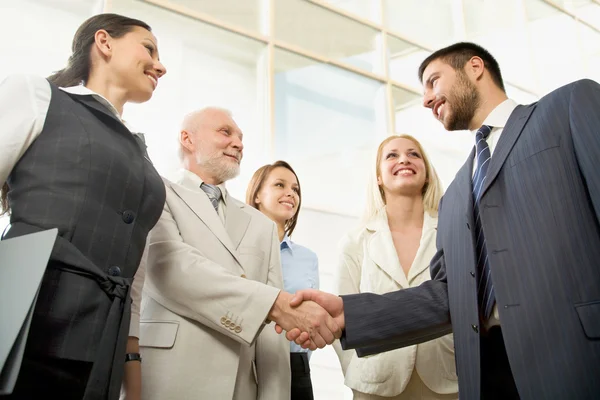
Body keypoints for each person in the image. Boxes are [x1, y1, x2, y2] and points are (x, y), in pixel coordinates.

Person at [284, 42, 600, 400]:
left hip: (576, 358)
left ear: (475, 67)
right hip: (486, 376)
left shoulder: (567, 108)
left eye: (434, 81)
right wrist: (350, 316)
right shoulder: (455, 198)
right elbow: (450, 297)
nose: (426, 100)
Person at [0, 13, 167, 400]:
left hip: (103, 345)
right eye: (149, 48)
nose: (160, 64)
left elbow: (135, 270)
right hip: (28, 318)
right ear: (104, 42)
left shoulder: (142, 155)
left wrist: (132, 367)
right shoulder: (38, 96)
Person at [130, 108, 340, 400]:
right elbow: (171, 268)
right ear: (188, 139)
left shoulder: (260, 225)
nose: (239, 143)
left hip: (240, 386)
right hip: (167, 378)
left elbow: (272, 334)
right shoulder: (156, 191)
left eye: (241, 138)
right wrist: (274, 304)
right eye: (225, 132)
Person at [332, 135, 457, 400]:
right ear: (378, 177)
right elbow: (340, 317)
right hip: (375, 385)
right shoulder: (355, 242)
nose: (404, 159)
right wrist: (357, 372)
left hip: (446, 381)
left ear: (426, 173)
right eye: (392, 155)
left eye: (414, 154)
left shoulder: (454, 231)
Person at [246, 160, 319, 400]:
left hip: (294, 365)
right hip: (245, 361)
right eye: (280, 185)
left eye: (296, 189)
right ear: (257, 195)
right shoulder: (235, 249)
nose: (290, 193)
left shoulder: (308, 258)